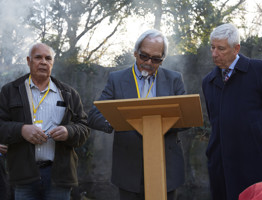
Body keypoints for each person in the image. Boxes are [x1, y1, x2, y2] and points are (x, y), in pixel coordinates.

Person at [88, 29, 186, 200]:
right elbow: (94, 114)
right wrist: (115, 121)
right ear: (135, 53)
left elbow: (186, 117)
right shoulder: (116, 79)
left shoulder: (174, 79)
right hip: (129, 169)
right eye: (144, 56)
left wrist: (157, 125)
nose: (148, 62)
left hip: (166, 168)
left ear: (162, 60)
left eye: (156, 59)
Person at [202, 23, 262, 200]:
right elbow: (215, 122)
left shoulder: (260, 71)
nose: (214, 53)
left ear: (236, 48)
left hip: (257, 164)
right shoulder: (208, 82)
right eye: (212, 47)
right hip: (222, 167)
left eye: (221, 48)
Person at [0, 43, 90, 200]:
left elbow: (84, 128)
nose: (43, 62)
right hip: (23, 175)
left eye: (48, 58)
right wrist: (21, 130)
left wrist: (69, 132)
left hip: (58, 176)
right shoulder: (10, 91)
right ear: (29, 61)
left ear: (52, 63)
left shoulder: (69, 94)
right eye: (38, 57)